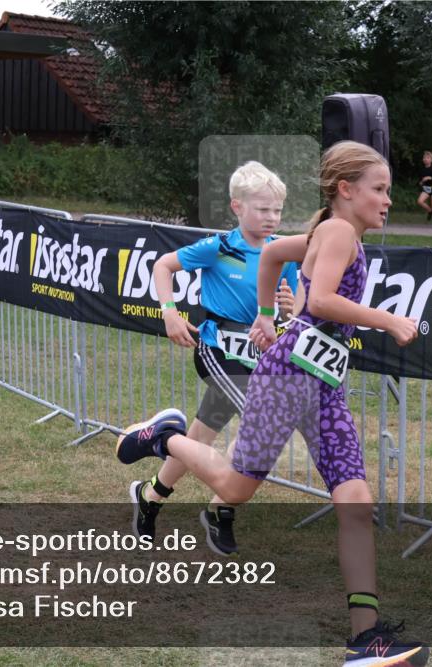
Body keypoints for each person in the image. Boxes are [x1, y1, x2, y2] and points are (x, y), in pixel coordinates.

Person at [116, 141, 428, 666]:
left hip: (323, 383)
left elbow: (274, 255)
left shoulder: (325, 232)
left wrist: (265, 314)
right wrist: (389, 320)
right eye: (379, 189)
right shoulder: (337, 231)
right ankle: (162, 438)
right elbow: (322, 300)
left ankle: (366, 639)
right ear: (346, 190)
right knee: (236, 486)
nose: (388, 200)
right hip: (286, 375)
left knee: (355, 501)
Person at [129, 161, 299, 556]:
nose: (271, 218)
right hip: (217, 349)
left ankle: (150, 495)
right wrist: (170, 313)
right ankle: (222, 509)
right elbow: (163, 266)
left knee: (199, 438)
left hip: (257, 356)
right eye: (263, 209)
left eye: (277, 210)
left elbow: (292, 307)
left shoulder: (283, 252)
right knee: (261, 419)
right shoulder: (220, 247)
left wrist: (290, 307)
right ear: (237, 207)